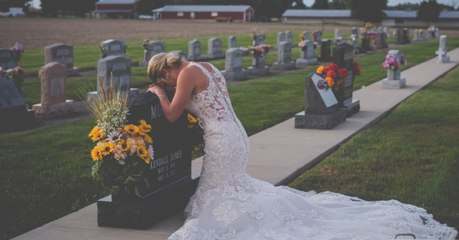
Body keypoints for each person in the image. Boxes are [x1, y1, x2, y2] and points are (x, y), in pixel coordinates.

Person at [147, 52, 457, 240]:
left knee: (220, 192)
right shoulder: (206, 67)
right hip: (235, 133)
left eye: (166, 81)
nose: (171, 85)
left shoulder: (186, 73)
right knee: (230, 186)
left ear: (165, 71)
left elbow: (172, 113)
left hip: (222, 139)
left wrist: (158, 95)